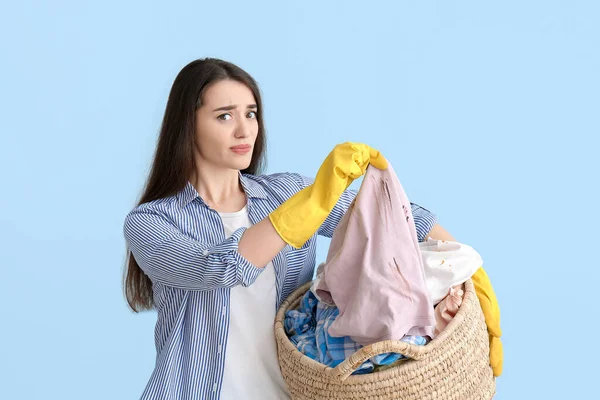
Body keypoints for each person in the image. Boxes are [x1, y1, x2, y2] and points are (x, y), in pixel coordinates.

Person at [122, 58, 501, 400]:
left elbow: (396, 223)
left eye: (251, 114)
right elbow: (219, 268)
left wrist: (468, 267)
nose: (244, 130)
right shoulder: (152, 223)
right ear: (188, 125)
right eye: (225, 116)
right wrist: (306, 207)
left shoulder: (286, 192)